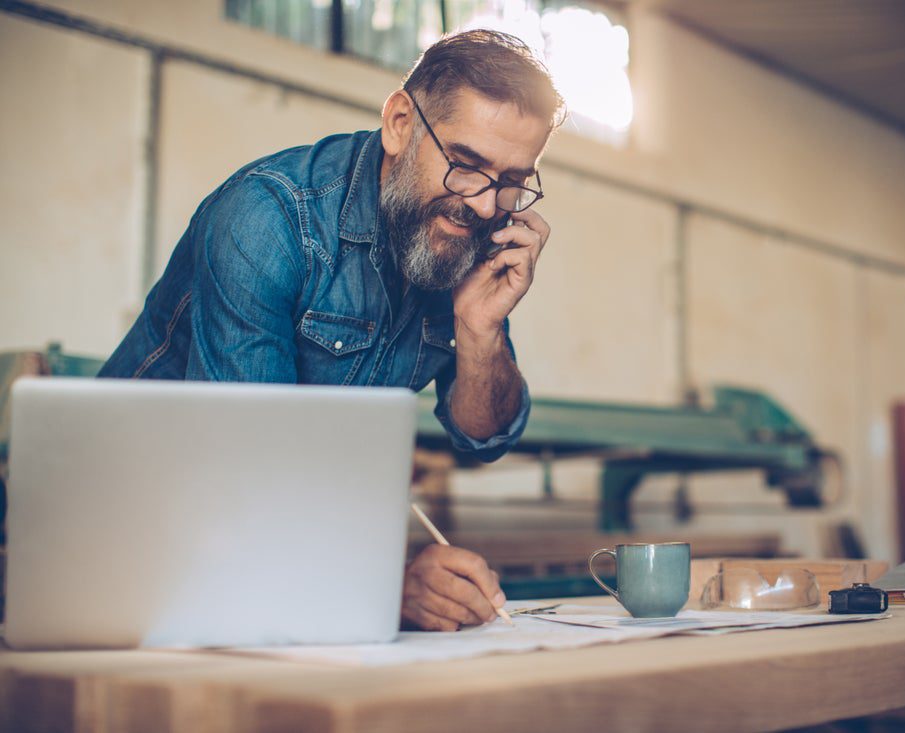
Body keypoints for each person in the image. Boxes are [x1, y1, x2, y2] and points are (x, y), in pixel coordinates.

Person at [98, 30, 565, 632]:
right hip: (135, 532)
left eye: (510, 181)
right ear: (400, 122)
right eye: (466, 165)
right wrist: (384, 582)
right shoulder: (268, 218)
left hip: (270, 557)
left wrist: (481, 330)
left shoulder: (468, 233)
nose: (482, 204)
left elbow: (485, 437)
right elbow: (246, 470)